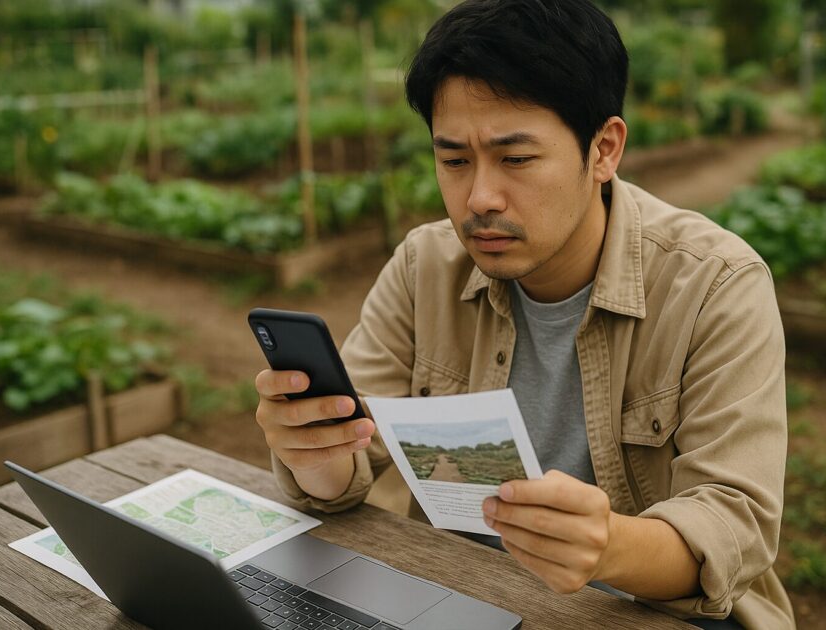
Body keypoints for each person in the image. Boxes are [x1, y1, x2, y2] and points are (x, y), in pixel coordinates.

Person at [254, 1, 794, 628]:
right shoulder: (424, 266)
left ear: (604, 150)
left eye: (515, 159)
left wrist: (609, 546)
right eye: (454, 160)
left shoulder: (715, 285)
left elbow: (735, 525)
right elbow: (345, 471)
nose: (479, 197)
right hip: (456, 601)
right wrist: (315, 451)